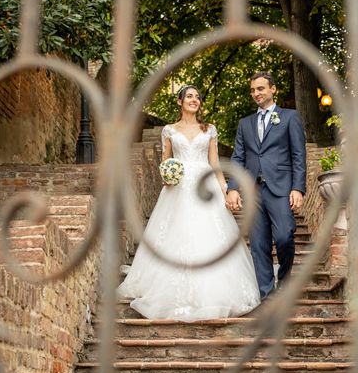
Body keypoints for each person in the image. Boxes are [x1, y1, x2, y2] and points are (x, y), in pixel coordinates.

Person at [117, 85, 260, 321]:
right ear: (179, 101)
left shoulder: (209, 129)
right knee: (178, 234)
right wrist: (168, 175)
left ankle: (216, 290)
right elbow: (165, 163)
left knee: (210, 235)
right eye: (190, 96)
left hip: (207, 186)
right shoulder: (169, 131)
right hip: (179, 188)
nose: (195, 100)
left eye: (197, 97)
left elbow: (215, 165)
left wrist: (226, 191)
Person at [226, 72, 307, 300]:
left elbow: (298, 155)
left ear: (273, 89)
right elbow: (238, 158)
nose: (256, 94)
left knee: (284, 236)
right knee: (258, 244)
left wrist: (298, 188)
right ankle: (266, 295)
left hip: (281, 188)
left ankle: (284, 281)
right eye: (252, 90)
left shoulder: (289, 117)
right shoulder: (245, 124)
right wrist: (232, 187)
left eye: (260, 89)